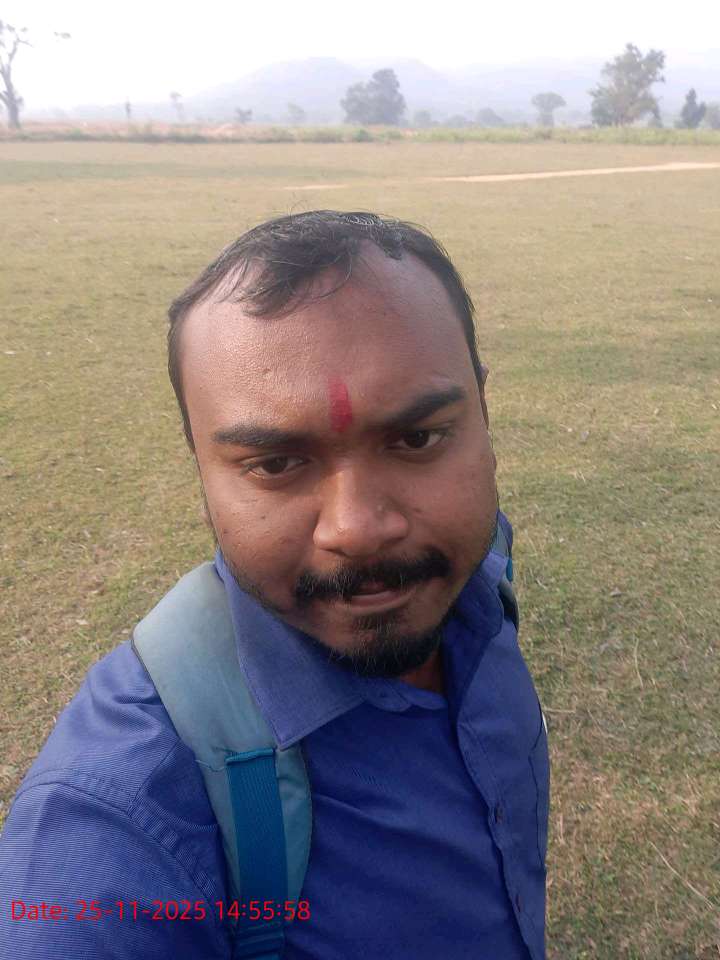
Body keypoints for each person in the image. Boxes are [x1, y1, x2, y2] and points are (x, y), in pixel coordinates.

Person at [0, 210, 549, 959]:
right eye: (276, 464)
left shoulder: (478, 575)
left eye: (417, 438)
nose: (357, 529)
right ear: (200, 467)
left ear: (484, 412)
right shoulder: (120, 807)